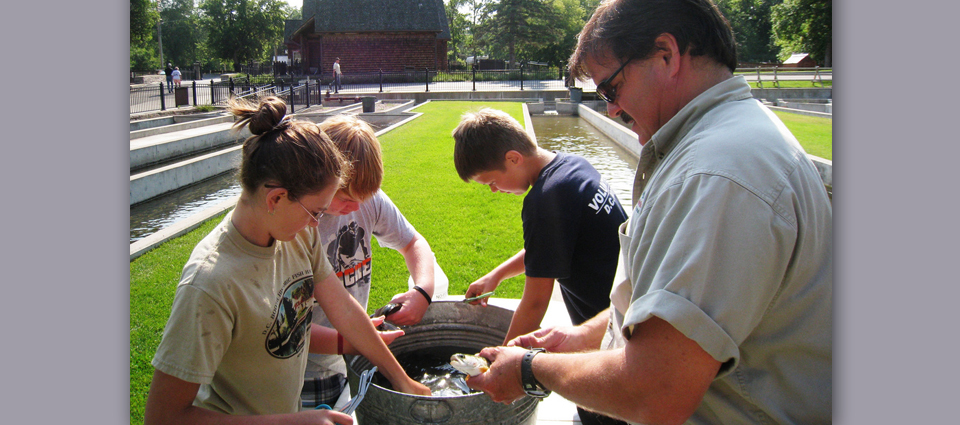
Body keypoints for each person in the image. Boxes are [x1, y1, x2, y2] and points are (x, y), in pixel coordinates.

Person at [465, 1, 833, 425]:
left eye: (611, 89)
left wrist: (530, 369)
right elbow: (661, 301)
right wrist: (582, 336)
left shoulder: (715, 174)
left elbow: (655, 392)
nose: (611, 110)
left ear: (666, 55)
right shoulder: (720, 145)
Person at [143, 96, 430, 425]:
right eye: (315, 212)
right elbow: (163, 416)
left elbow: (346, 311)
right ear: (276, 198)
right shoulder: (210, 284)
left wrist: (400, 378)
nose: (317, 224)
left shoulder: (296, 236)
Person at [452, 108, 628, 425]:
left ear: (513, 158)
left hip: (607, 340)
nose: (494, 190)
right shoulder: (571, 166)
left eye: (491, 181)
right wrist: (497, 275)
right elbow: (549, 246)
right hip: (617, 316)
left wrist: (499, 364)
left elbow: (534, 303)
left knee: (605, 415)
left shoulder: (544, 200)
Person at [301, 114, 445, 409]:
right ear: (320, 176)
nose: (355, 208)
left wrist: (423, 291)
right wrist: (358, 340)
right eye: (344, 198)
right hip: (304, 369)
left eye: (363, 199)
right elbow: (283, 328)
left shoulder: (368, 201)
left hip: (350, 355)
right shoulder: (300, 224)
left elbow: (413, 242)